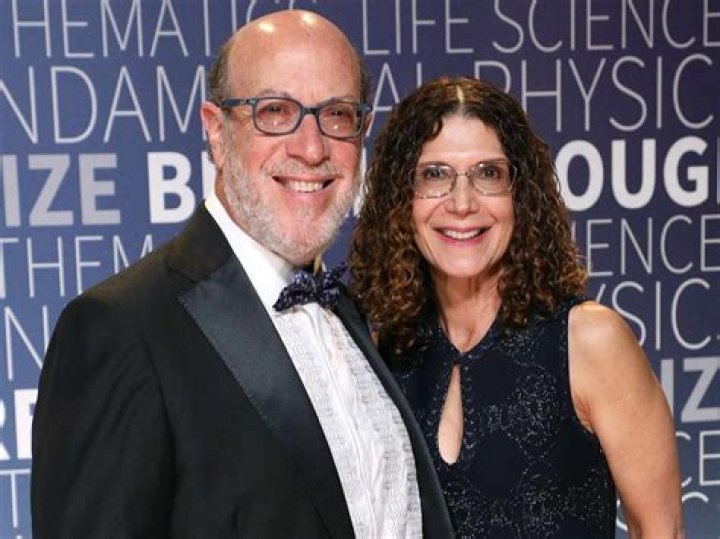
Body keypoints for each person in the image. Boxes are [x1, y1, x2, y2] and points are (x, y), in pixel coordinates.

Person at [31, 10, 454, 538]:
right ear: (216, 130)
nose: (311, 148)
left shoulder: (350, 311)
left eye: (337, 115)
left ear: (362, 132)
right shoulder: (122, 328)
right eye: (275, 111)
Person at [349, 76, 684, 538]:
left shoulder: (589, 342)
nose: (461, 203)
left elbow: (661, 529)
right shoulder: (387, 353)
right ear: (400, 199)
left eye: (488, 174)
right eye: (435, 175)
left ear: (520, 195)